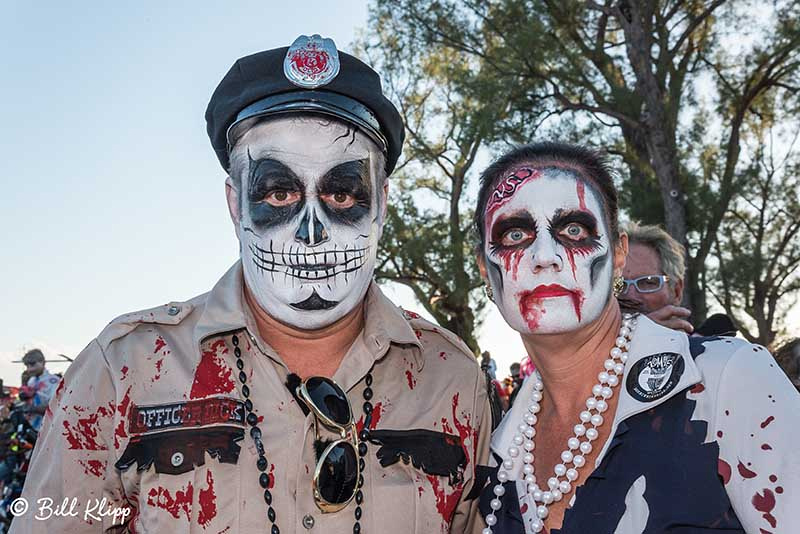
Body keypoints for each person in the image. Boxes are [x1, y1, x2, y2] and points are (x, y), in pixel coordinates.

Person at [13, 35, 490, 534]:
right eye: (278, 191)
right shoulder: (124, 369)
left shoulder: (451, 380)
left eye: (344, 194)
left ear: (383, 204)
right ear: (236, 204)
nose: (312, 230)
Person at [473, 142, 799, 533]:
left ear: (619, 253)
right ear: (484, 269)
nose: (545, 256)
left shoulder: (727, 382)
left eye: (574, 229)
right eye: (514, 234)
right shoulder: (499, 450)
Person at [621, 222, 693, 333]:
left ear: (676, 291)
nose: (630, 296)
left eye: (648, 282)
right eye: (618, 284)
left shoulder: (710, 348)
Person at [19, 349, 61, 431]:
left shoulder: (53, 382)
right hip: (32, 428)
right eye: (27, 366)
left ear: (43, 362)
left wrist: (33, 409)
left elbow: (56, 406)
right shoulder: (32, 381)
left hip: (49, 429)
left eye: (32, 364)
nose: (29, 369)